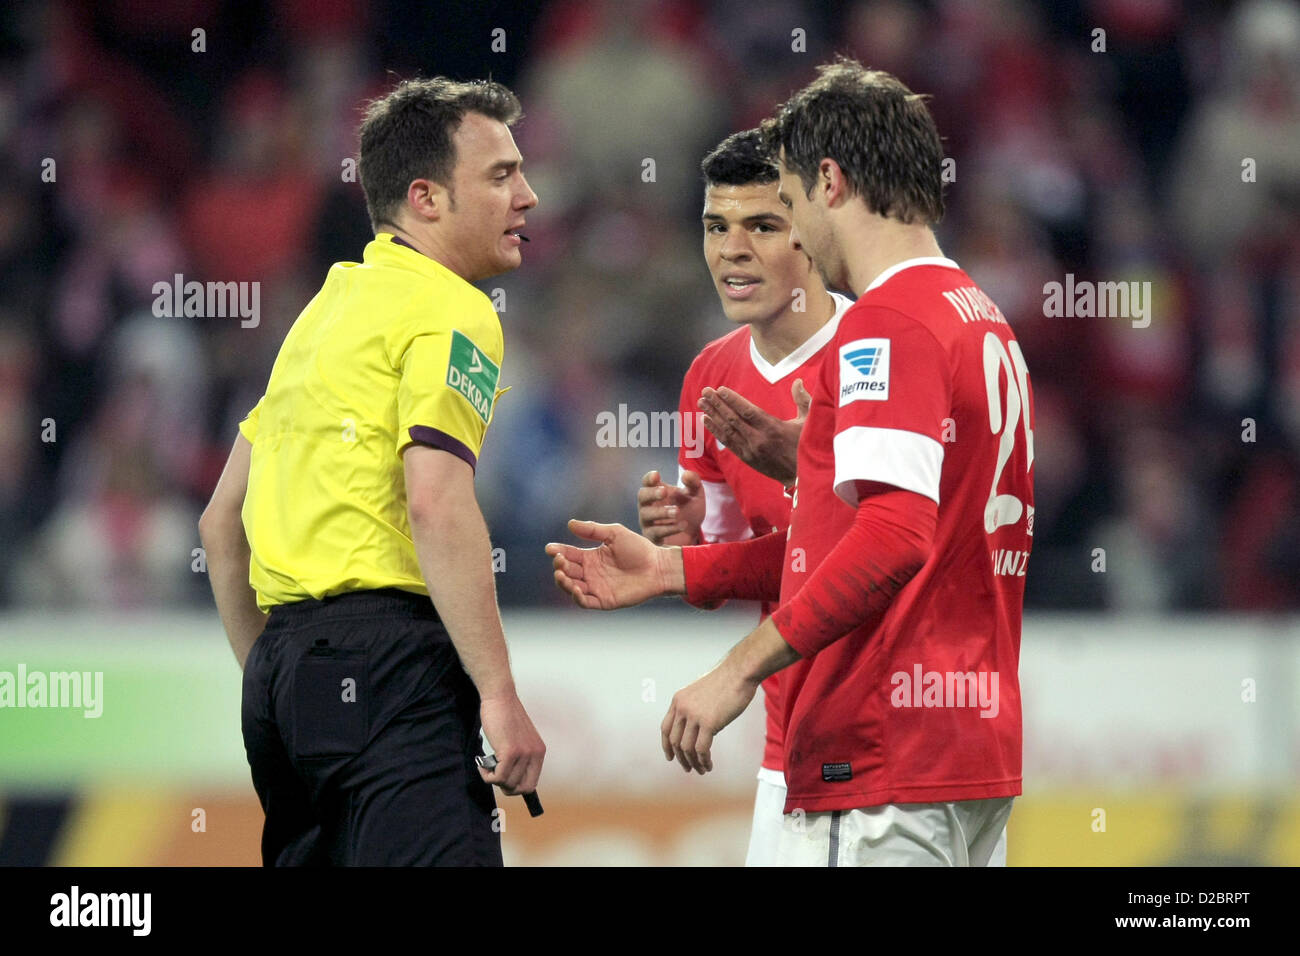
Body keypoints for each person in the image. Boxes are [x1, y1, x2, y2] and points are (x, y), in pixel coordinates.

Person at [547, 59, 1034, 867]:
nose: (797, 231)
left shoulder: (887, 326)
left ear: (831, 181)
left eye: (792, 203)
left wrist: (738, 670)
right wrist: (681, 569)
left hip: (873, 750)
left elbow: (891, 541)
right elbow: (894, 533)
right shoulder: (981, 318)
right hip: (967, 754)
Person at [199, 77, 545, 866]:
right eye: (500, 175)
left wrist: (284, 681)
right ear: (425, 198)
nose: (528, 195)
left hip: (285, 679)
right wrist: (498, 694)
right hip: (391, 666)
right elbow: (434, 499)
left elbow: (221, 524)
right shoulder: (453, 308)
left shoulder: (321, 315)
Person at [636, 127, 852, 866]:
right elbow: (735, 570)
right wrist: (690, 541)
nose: (732, 249)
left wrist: (802, 472)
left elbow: (893, 548)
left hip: (869, 743)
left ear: (814, 230)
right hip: (785, 745)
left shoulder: (875, 356)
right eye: (716, 227)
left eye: (763, 225)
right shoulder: (710, 375)